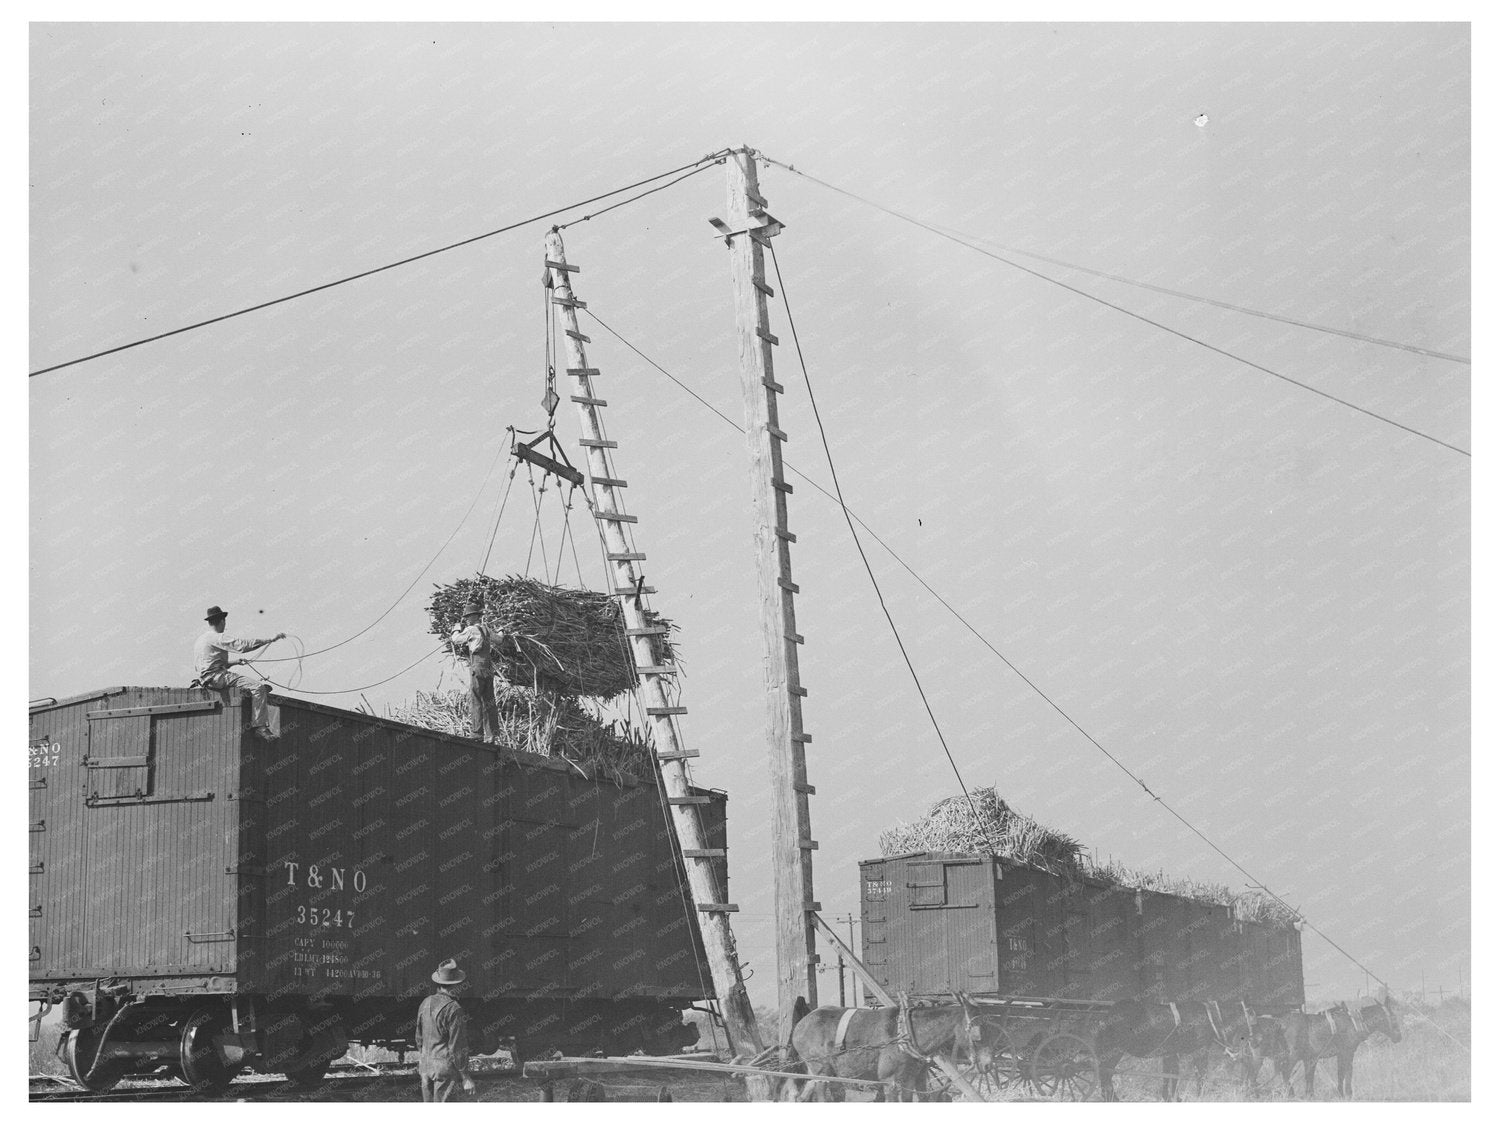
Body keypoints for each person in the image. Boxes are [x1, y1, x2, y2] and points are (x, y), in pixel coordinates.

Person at [193, 605, 284, 739]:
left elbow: (209, 664)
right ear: (222, 621)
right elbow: (243, 646)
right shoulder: (218, 637)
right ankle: (260, 726)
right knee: (258, 687)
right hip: (218, 677)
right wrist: (269, 640)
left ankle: (257, 701)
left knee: (253, 687)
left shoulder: (201, 639)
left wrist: (235, 662)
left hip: (207, 679)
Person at [415, 959, 475, 1102]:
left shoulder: (425, 1003)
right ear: (456, 985)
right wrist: (465, 1077)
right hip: (444, 1069)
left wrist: (425, 1059)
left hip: (425, 1066)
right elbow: (457, 1046)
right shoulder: (454, 1008)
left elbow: (418, 1038)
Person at [448, 601, 500, 742]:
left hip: (477, 666)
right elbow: (499, 640)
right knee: (489, 700)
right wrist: (501, 631)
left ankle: (477, 734)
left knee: (476, 699)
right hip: (489, 667)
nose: (466, 619)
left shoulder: (470, 630)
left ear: (473, 617)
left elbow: (456, 640)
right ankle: (492, 734)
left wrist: (456, 629)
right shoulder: (487, 629)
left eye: (467, 617)